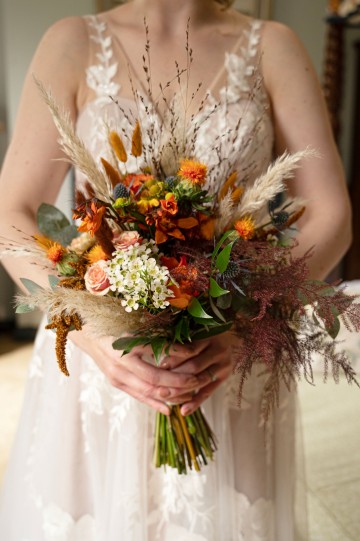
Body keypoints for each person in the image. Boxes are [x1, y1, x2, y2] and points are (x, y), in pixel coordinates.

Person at [0, 0, 352, 539]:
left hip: (231, 351)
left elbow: (332, 213)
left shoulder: (273, 46)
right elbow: (12, 212)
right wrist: (89, 327)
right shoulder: (70, 42)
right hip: (101, 362)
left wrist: (249, 321)